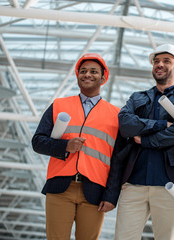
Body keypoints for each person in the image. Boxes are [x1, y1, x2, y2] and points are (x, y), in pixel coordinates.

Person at [31, 53, 123, 240]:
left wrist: (111, 195)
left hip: (94, 191)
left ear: (103, 78)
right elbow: (38, 142)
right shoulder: (59, 105)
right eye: (83, 71)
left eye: (93, 71)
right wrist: (65, 146)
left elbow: (118, 160)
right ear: (77, 76)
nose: (87, 74)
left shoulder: (117, 115)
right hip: (60, 188)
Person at [114, 43, 174, 240]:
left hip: (171, 185)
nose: (159, 64)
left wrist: (145, 140)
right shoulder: (138, 98)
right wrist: (162, 124)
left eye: (166, 61)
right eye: (156, 61)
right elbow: (125, 125)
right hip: (134, 182)